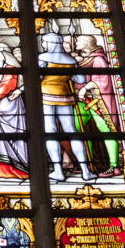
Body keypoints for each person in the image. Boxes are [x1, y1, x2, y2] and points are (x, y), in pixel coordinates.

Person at [38, 33, 97, 182]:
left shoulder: (43, 58)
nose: (43, 45)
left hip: (46, 96)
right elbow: (80, 79)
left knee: (50, 132)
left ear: (49, 43)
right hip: (65, 96)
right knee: (72, 132)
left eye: (44, 43)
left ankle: (58, 171)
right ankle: (85, 171)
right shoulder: (70, 60)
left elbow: (36, 77)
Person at [74, 34, 122, 176]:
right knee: (79, 129)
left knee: (106, 130)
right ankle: (88, 163)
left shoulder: (99, 59)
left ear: (87, 44)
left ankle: (114, 166)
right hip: (83, 101)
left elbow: (102, 81)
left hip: (98, 102)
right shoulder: (85, 59)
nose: (76, 42)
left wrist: (84, 88)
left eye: (78, 40)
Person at [0, 45, 29, 179]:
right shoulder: (3, 67)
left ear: (2, 53)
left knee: (4, 135)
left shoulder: (10, 68)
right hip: (0, 106)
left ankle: (9, 168)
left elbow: (7, 85)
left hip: (4, 106)